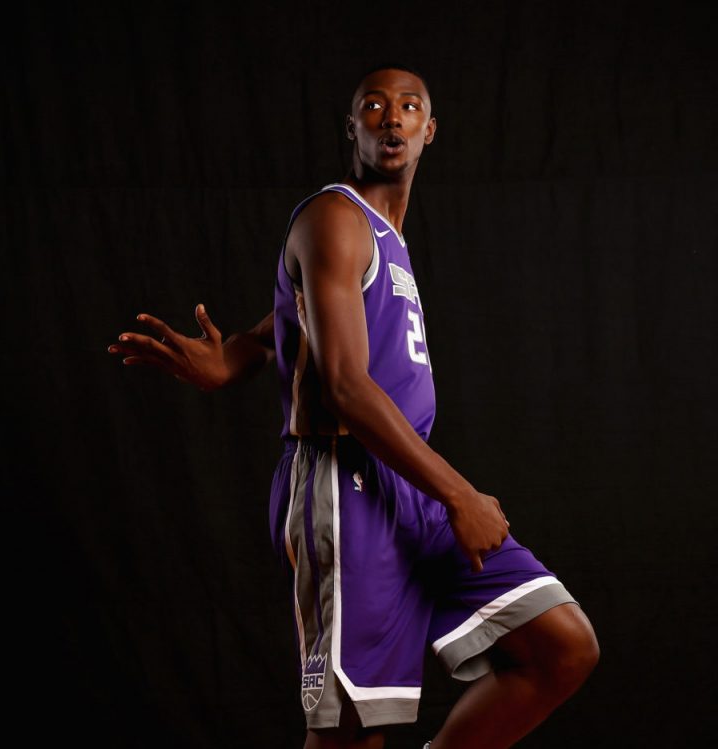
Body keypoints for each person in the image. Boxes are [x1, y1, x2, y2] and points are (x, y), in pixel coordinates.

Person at [107, 64, 599, 749]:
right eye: (373, 105)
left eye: (407, 107)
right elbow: (343, 382)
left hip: (408, 484)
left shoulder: (387, 236)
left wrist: (237, 356)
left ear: (430, 130)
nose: (390, 117)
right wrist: (461, 494)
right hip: (344, 486)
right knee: (351, 734)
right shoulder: (333, 217)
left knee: (562, 648)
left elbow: (286, 322)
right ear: (353, 128)